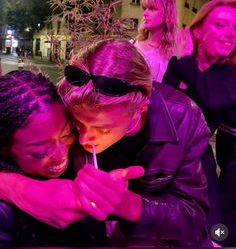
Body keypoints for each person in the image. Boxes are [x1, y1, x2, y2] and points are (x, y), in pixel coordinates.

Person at [0, 40, 211, 247]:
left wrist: (125, 204)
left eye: (103, 129)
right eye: (77, 125)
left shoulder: (183, 119)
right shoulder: (63, 101)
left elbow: (194, 218)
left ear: (140, 108)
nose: (82, 140)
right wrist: (22, 189)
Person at [0, 70, 142, 246]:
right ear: (5, 150)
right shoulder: (4, 211)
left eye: (67, 134)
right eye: (41, 152)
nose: (61, 156)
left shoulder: (88, 145)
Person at [163, 0, 236, 245]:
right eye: (220, 25)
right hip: (161, 160)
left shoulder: (230, 74)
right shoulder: (181, 64)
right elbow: (161, 108)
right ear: (198, 31)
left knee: (214, 232)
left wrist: (184, 62)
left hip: (199, 164)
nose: (231, 34)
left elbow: (213, 98)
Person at [134, 0, 178, 82]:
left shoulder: (174, 56)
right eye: (144, 8)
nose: (145, 13)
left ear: (167, 13)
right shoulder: (133, 47)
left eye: (152, 9)